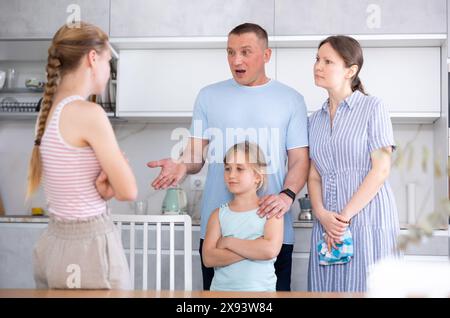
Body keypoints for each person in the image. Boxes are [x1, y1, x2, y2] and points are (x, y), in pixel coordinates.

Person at [147, 23, 309, 291]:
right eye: (231, 52)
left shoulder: (291, 100)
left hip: (270, 230)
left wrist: (286, 196)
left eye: (246, 52)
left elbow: (300, 161)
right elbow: (194, 156)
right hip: (217, 231)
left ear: (267, 55)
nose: (236, 60)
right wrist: (181, 166)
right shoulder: (208, 96)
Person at [27, 22, 137, 289]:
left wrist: (104, 190)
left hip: (54, 243)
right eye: (109, 61)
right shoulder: (88, 114)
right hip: (89, 247)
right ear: (92, 57)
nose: (108, 71)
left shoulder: (47, 113)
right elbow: (129, 191)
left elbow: (75, 186)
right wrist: (118, 170)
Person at [307, 35, 400, 292]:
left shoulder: (373, 108)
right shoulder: (315, 120)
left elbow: (381, 169)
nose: (318, 66)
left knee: (368, 289)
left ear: (351, 70)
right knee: (327, 291)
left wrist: (344, 218)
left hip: (366, 218)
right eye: (317, 59)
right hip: (328, 221)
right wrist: (322, 214)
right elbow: (314, 174)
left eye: (328, 61)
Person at [202, 141, 283, 291]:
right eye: (227, 169)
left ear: (257, 176)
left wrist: (227, 241)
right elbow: (208, 258)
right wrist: (254, 248)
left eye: (239, 169)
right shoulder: (218, 215)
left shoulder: (270, 212)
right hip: (221, 295)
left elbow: (269, 250)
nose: (231, 175)